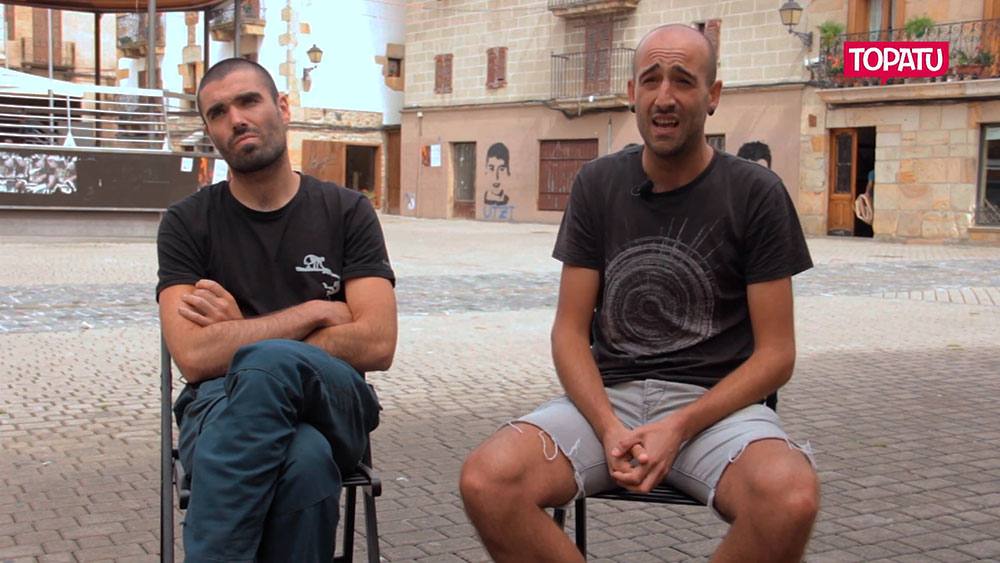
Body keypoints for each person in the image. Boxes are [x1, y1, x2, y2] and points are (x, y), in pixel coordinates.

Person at [460, 24, 819, 562]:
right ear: (632, 93)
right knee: (487, 481)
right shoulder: (597, 183)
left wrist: (679, 426)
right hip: (607, 401)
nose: (664, 97)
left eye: (683, 81)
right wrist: (607, 427)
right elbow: (568, 332)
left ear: (713, 95)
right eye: (651, 80)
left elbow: (776, 355)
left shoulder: (756, 193)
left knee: (790, 499)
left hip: (715, 409)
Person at [156, 58, 397, 563]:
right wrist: (313, 311)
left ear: (283, 107)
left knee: (268, 363)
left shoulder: (347, 211)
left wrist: (240, 335)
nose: (236, 119)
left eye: (249, 101)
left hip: (332, 401)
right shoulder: (186, 223)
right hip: (218, 405)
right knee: (304, 460)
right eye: (218, 112)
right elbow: (194, 357)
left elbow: (377, 342)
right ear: (209, 131)